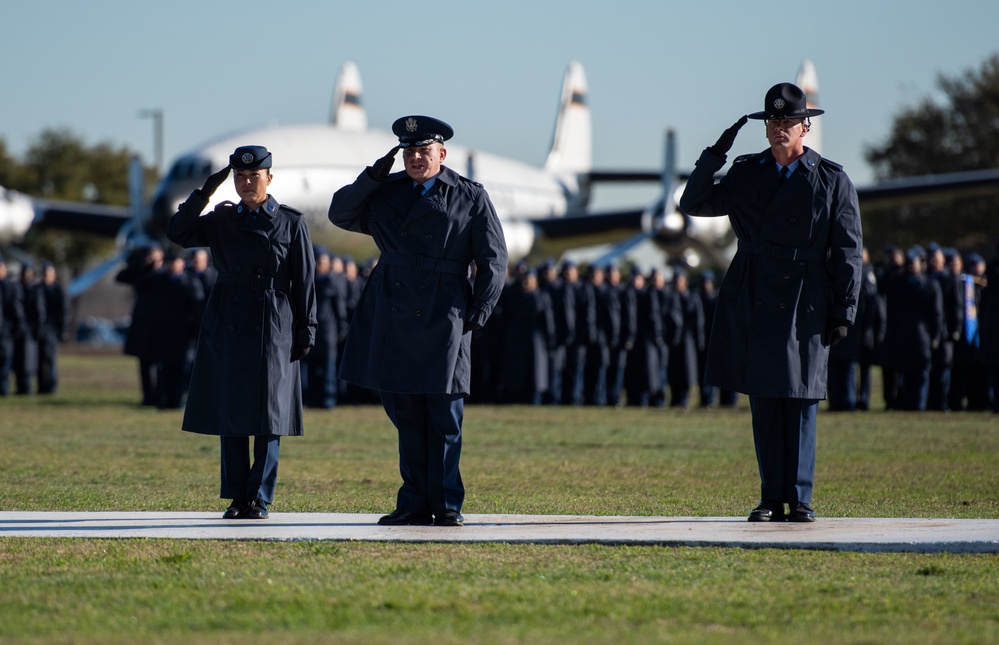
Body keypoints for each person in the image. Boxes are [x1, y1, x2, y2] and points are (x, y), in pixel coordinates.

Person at [679, 82, 863, 522]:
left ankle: (800, 498)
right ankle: (770, 498)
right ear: (765, 131)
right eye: (772, 122)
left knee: (800, 398)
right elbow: (693, 202)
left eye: (787, 122)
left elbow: (848, 250)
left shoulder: (831, 179)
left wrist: (845, 308)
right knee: (763, 398)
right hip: (756, 290)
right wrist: (715, 154)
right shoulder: (746, 173)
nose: (779, 128)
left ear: (805, 128)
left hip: (807, 295)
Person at [328, 115, 508, 527]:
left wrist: (477, 312)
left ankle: (446, 503)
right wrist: (372, 175)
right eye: (408, 152)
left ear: (441, 154)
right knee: (404, 413)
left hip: (446, 314)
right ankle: (412, 503)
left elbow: (494, 260)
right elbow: (341, 212)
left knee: (444, 416)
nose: (415, 158)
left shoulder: (469, 197)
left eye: (423, 151)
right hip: (392, 308)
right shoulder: (384, 192)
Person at [167, 145, 317, 520]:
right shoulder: (221, 220)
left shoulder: (290, 222)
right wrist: (204, 193)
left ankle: (260, 497)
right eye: (240, 177)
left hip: (274, 320)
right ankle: (237, 497)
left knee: (270, 415)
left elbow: (306, 281)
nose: (247, 183)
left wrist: (306, 327)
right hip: (227, 318)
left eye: (254, 176)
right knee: (230, 413)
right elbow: (177, 231)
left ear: (270, 177)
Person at [38, 261, 69, 394]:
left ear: (54, 275)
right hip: (39, 329)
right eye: (44, 274)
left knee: (50, 359)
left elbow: (64, 312)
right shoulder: (38, 289)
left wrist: (63, 330)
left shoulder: (59, 291)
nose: (46, 276)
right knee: (39, 359)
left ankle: (51, 387)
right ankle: (41, 387)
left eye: (49, 273)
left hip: (53, 330)